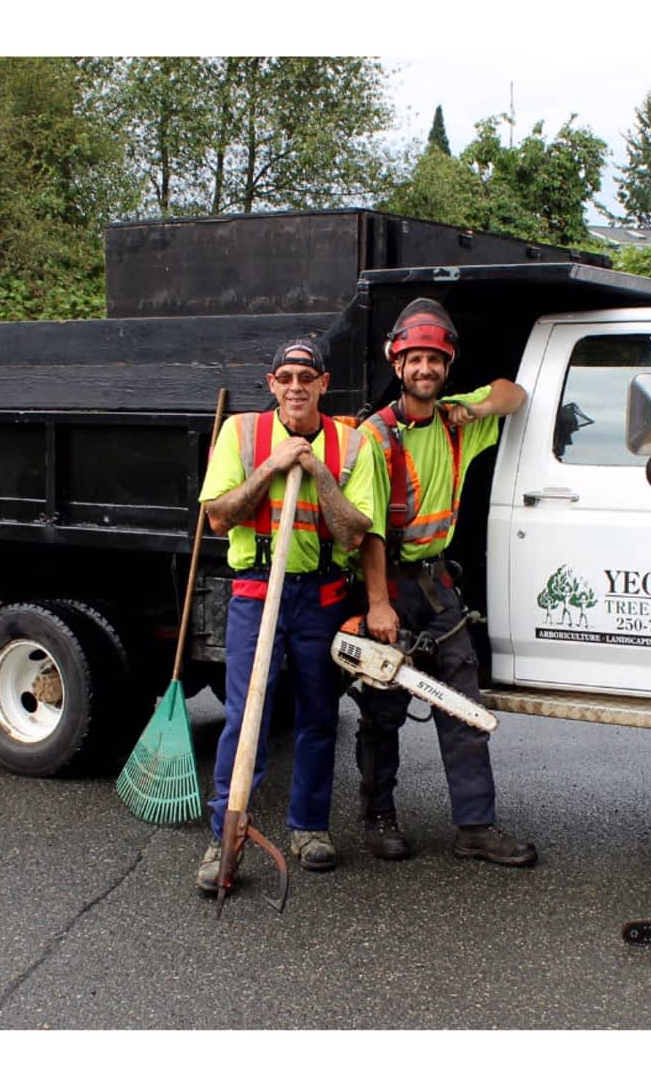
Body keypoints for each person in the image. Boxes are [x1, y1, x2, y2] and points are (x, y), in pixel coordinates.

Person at [354, 298, 537, 867]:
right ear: (397, 363)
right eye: (415, 360)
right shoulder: (376, 437)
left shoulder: (458, 421)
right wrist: (379, 606)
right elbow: (368, 532)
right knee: (382, 711)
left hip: (439, 588)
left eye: (435, 359)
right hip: (391, 587)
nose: (425, 369)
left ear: (447, 365)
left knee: (461, 708)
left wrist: (478, 409)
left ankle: (475, 827)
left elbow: (516, 393)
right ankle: (379, 819)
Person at [193, 337, 380, 893]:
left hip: (322, 596)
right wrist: (274, 465)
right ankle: (224, 835)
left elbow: (354, 530)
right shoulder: (243, 435)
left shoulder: (351, 444)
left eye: (307, 376)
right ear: (271, 384)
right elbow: (219, 518)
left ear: (324, 384)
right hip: (256, 592)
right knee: (244, 716)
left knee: (319, 716)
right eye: (286, 377)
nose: (296, 386)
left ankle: (309, 828)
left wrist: (316, 470)